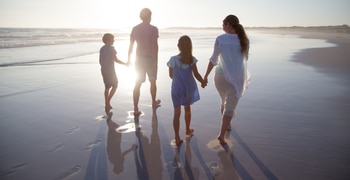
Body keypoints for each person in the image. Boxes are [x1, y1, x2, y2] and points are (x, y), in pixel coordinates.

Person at [203, 15, 250, 145]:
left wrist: (205, 76)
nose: (222, 27)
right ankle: (221, 135)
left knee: (223, 101)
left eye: (223, 24)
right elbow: (245, 59)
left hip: (219, 77)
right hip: (236, 78)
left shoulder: (220, 39)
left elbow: (213, 60)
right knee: (229, 106)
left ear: (229, 25)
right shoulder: (244, 40)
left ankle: (226, 125)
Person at [167, 35, 207, 146]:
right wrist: (203, 81)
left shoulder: (173, 59)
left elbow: (171, 75)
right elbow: (196, 74)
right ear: (190, 47)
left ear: (178, 46)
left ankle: (177, 137)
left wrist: (177, 80)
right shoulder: (191, 60)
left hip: (176, 89)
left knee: (176, 113)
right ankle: (188, 129)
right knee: (187, 109)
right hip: (188, 89)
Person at [127, 8, 160, 115]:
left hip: (139, 59)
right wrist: (156, 61)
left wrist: (128, 59)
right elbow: (155, 45)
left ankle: (136, 108)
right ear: (149, 16)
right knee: (153, 81)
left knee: (137, 83)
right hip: (150, 59)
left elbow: (131, 46)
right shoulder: (153, 29)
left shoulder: (135, 29)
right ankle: (153, 102)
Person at [100, 33, 127, 113]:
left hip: (103, 70)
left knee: (107, 87)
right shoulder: (112, 49)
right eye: (113, 39)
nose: (114, 40)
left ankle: (107, 103)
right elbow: (116, 60)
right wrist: (125, 64)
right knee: (115, 85)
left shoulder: (102, 48)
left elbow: (100, 61)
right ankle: (107, 101)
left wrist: (104, 66)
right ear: (108, 40)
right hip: (110, 70)